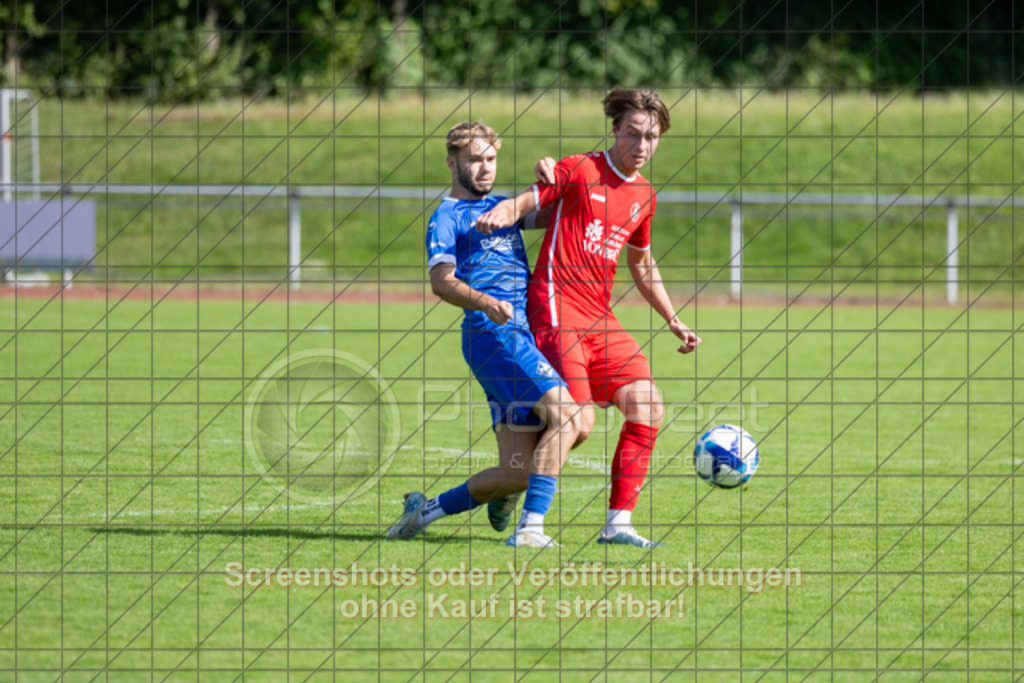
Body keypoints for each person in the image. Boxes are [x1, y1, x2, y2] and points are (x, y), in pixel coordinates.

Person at [477, 88, 701, 548]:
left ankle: (617, 523)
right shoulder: (581, 168)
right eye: (634, 133)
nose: (642, 145)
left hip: (601, 319)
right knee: (577, 421)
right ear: (616, 129)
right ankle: (530, 526)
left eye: (652, 137)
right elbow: (531, 200)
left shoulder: (644, 195)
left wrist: (672, 318)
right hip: (556, 307)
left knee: (648, 406)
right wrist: (506, 208)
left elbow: (641, 262)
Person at [386, 121, 581, 548]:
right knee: (572, 418)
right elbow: (442, 281)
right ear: (452, 162)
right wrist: (485, 302)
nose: (485, 168)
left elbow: (564, 210)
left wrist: (555, 173)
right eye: (475, 160)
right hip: (493, 336)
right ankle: (532, 529)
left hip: (522, 337)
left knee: (516, 472)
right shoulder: (446, 217)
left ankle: (423, 512)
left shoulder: (504, 207)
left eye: (491, 159)